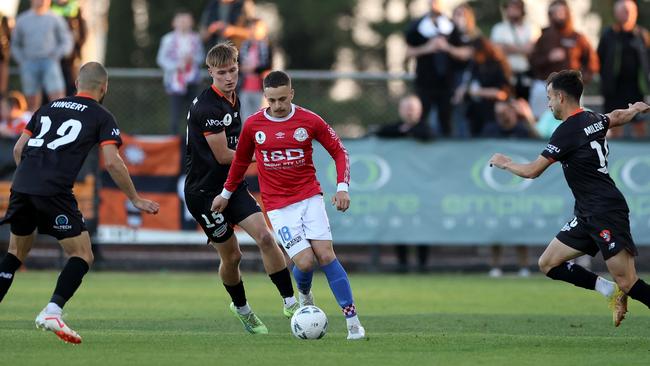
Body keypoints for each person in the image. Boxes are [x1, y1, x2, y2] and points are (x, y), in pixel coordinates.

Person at [0, 62, 160, 343]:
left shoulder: (47, 107)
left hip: (22, 185)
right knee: (82, 255)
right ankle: (52, 311)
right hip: (54, 191)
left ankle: (47, 310)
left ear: (76, 84)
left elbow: (18, 149)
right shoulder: (102, 115)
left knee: (14, 253)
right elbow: (112, 162)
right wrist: (134, 198)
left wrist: (29, 179)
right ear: (104, 88)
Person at [212, 70, 366, 340]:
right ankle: (304, 295)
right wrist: (226, 194)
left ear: (292, 94)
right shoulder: (254, 125)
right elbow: (239, 163)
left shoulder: (309, 120)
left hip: (309, 197)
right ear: (265, 97)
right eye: (271, 100)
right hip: (279, 206)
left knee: (326, 255)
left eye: (283, 99)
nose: (278, 106)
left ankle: (353, 322)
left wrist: (343, 187)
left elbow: (339, 151)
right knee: (305, 263)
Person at [489, 69, 650, 327]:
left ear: (561, 97)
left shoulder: (567, 131)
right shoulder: (592, 118)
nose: (549, 103)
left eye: (550, 97)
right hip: (587, 211)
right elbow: (616, 116)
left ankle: (619, 289)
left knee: (629, 282)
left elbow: (532, 171)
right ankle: (609, 292)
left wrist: (505, 163)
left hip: (605, 210)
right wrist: (635, 110)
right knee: (548, 263)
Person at [184, 42, 298, 335]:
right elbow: (223, 155)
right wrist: (265, 154)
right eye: (221, 72)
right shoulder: (209, 106)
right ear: (210, 71)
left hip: (230, 185)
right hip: (204, 195)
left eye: (233, 70)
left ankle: (291, 301)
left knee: (266, 237)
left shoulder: (234, 99)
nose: (229, 77)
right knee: (232, 257)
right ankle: (243, 309)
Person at [528, 0, 599, 119]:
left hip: (570, 89)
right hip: (544, 87)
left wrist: (580, 82)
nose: (558, 14)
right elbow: (532, 62)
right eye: (555, 11)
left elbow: (592, 63)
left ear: (567, 13)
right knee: (540, 121)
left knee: (573, 120)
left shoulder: (578, 38)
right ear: (550, 14)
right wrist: (548, 58)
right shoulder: (543, 38)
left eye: (561, 11)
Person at [597, 0, 649, 139]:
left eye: (630, 11)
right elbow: (599, 59)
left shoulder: (642, 35)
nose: (627, 14)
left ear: (635, 13)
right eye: (624, 10)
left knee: (639, 123)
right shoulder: (608, 35)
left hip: (636, 88)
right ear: (616, 13)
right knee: (614, 123)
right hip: (614, 88)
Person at [10, 0, 73, 112]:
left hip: (50, 63)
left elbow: (66, 40)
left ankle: (58, 121)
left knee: (57, 98)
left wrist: (56, 55)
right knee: (32, 101)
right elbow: (14, 44)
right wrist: (23, 60)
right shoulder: (22, 20)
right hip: (30, 63)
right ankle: (34, 126)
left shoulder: (55, 18)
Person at [156, 10, 204, 135]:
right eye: (180, 20)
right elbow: (161, 59)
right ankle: (174, 144)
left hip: (192, 80)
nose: (183, 23)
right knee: (175, 115)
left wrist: (192, 59)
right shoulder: (167, 39)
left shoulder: (196, 39)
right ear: (174, 23)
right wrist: (176, 66)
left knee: (194, 113)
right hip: (174, 82)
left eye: (186, 20)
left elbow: (201, 57)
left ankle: (193, 142)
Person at [490, 0, 539, 100]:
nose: (512, 10)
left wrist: (507, 47)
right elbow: (496, 50)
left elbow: (530, 49)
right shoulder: (499, 28)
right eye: (509, 7)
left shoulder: (531, 28)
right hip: (506, 75)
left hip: (526, 75)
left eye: (515, 7)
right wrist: (521, 47)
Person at [51, 0, 87, 96]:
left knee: (72, 87)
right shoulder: (49, 7)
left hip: (72, 58)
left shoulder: (75, 8)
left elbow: (83, 33)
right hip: (54, 58)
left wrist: (77, 47)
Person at [239, 18, 272, 122]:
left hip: (260, 89)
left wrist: (252, 69)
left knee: (261, 118)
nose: (253, 31)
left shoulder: (266, 47)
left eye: (256, 28)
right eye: (251, 28)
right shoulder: (244, 46)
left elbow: (267, 66)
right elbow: (238, 65)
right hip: (244, 88)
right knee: (245, 119)